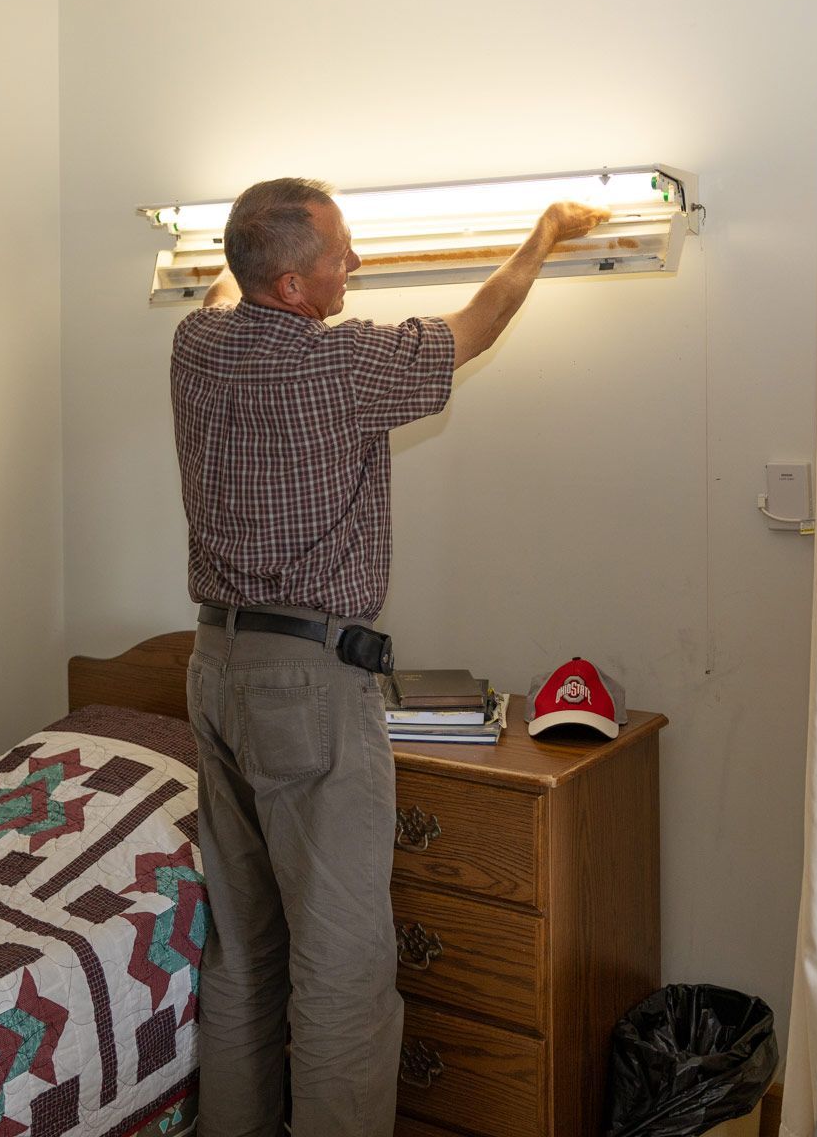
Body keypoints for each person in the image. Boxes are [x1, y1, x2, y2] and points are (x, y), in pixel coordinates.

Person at [170, 178, 606, 1136]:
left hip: (216, 667)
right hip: (311, 687)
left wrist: (230, 246)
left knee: (243, 954)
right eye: (338, 255)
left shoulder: (197, 343)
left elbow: (215, 290)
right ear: (290, 285)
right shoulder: (343, 368)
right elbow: (475, 325)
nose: (356, 265)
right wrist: (544, 234)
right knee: (342, 970)